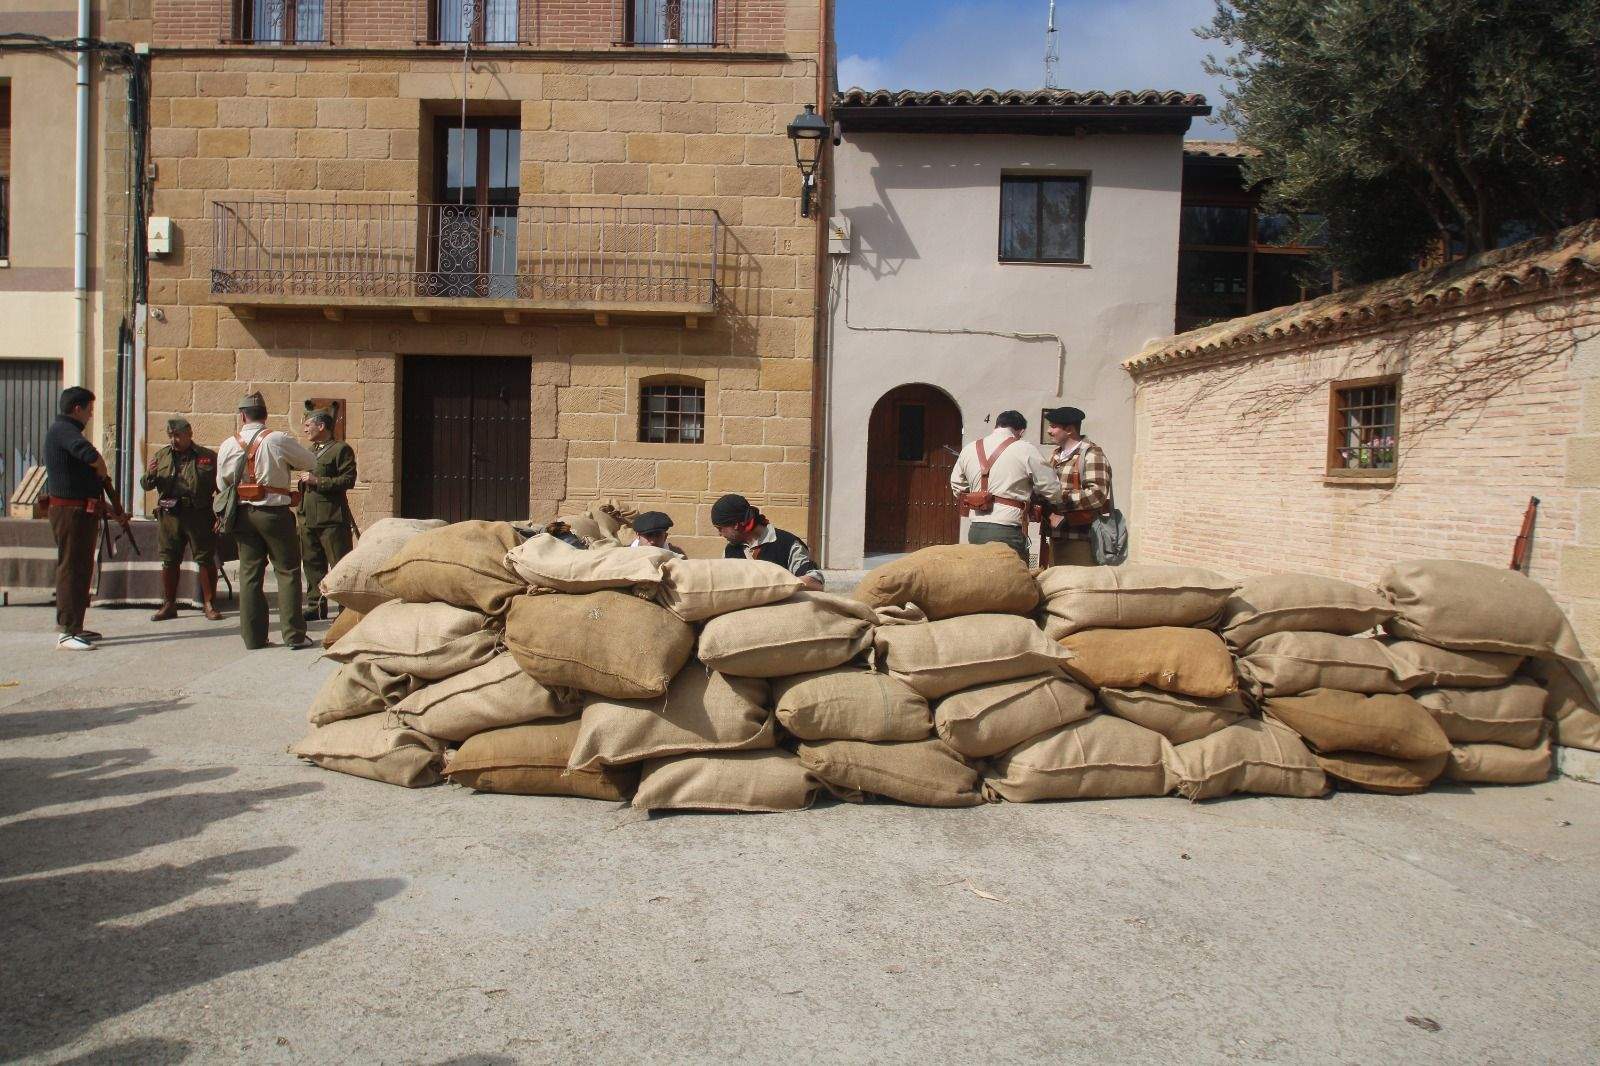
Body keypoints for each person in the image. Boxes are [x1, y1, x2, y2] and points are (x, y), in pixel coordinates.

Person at [216, 392, 318, 650]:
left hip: (242, 514)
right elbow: (310, 461)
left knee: (250, 575)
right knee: (288, 571)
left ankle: (253, 637)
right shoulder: (277, 439)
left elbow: (221, 483)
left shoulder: (228, 444)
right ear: (265, 414)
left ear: (242, 416)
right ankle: (293, 635)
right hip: (273, 514)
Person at [949, 409, 1062, 563]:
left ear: (997, 426)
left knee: (982, 580)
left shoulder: (969, 449)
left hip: (976, 528)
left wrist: (979, 498)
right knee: (1013, 584)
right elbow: (1053, 491)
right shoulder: (1025, 449)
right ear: (1021, 431)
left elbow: (957, 486)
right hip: (1007, 530)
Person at [43, 386, 108, 650]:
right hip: (70, 511)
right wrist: (101, 469)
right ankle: (67, 631)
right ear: (76, 408)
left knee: (82, 568)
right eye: (89, 409)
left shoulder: (66, 431)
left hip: (80, 511)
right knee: (71, 568)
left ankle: (76, 626)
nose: (91, 415)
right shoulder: (64, 431)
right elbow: (90, 456)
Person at [140, 416, 222, 621]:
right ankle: (169, 604)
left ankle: (209, 603)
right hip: (170, 515)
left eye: (178, 435)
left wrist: (221, 513)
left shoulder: (207, 456)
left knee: (204, 558)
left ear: (189, 434)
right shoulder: (161, 456)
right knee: (169, 559)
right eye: (171, 436)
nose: (174, 440)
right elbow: (146, 485)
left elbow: (220, 487)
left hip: (199, 513)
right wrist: (150, 474)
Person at [295, 409, 357, 620]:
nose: (305, 429)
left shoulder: (341, 450)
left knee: (339, 565)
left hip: (331, 518)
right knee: (312, 564)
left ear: (321, 426)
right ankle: (315, 605)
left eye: (308, 425)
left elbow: (348, 480)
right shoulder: (310, 450)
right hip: (308, 516)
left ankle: (345, 609)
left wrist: (317, 481)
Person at [1042, 406, 1113, 567]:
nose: (1049, 431)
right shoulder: (1055, 455)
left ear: (1069, 429)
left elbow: (1097, 495)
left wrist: (1060, 498)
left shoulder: (1091, 454)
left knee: (1080, 588)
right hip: (1055, 537)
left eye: (1053, 426)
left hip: (1080, 539)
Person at [710, 493, 824, 590]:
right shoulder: (730, 551)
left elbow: (814, 582)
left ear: (736, 524)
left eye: (720, 528)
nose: (720, 534)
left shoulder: (788, 544)